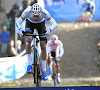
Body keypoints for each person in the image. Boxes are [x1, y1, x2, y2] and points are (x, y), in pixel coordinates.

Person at [16, 3, 57, 80]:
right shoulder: (27, 12)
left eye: (37, 16)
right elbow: (18, 22)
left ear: (40, 14)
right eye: (34, 16)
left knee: (43, 46)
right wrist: (20, 30)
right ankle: (29, 64)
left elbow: (54, 23)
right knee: (28, 40)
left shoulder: (44, 12)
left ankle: (44, 71)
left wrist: (49, 30)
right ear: (31, 13)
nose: (35, 18)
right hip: (29, 24)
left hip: (41, 25)